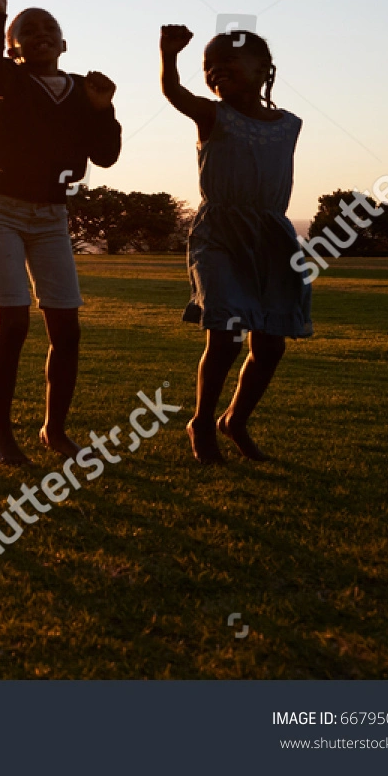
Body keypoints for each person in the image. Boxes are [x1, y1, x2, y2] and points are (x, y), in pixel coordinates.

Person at [0, 0, 121, 465]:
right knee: (13, 320)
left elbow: (106, 155)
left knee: (67, 329)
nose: (40, 34)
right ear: (14, 46)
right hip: (4, 211)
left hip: (52, 216)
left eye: (49, 28)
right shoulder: (8, 80)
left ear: (63, 43)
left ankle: (54, 430)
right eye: (27, 29)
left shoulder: (82, 90)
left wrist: (105, 110)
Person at [159, 25, 311, 463]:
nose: (217, 67)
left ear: (265, 70)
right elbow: (174, 93)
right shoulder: (212, 116)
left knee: (270, 344)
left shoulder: (289, 125)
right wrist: (169, 57)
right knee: (224, 334)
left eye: (231, 58)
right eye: (209, 64)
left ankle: (235, 420)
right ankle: (202, 421)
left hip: (271, 238)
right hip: (220, 234)